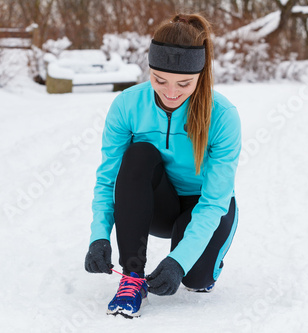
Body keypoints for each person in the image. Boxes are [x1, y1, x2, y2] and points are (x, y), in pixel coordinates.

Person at [84, 13, 242, 318]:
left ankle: (206, 262)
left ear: (200, 75)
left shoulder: (223, 115)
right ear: (149, 70)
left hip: (206, 206)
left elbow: (214, 202)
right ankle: (132, 279)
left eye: (184, 83)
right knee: (139, 154)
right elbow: (109, 178)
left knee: (194, 280)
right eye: (160, 80)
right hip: (159, 203)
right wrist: (99, 235)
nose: (171, 93)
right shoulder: (128, 105)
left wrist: (178, 261)